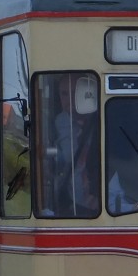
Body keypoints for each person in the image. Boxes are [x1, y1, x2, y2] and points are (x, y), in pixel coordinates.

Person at [52, 77, 100, 216]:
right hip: (72, 201)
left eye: (75, 93)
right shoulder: (57, 123)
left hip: (102, 199)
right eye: (64, 94)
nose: (69, 99)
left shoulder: (103, 118)